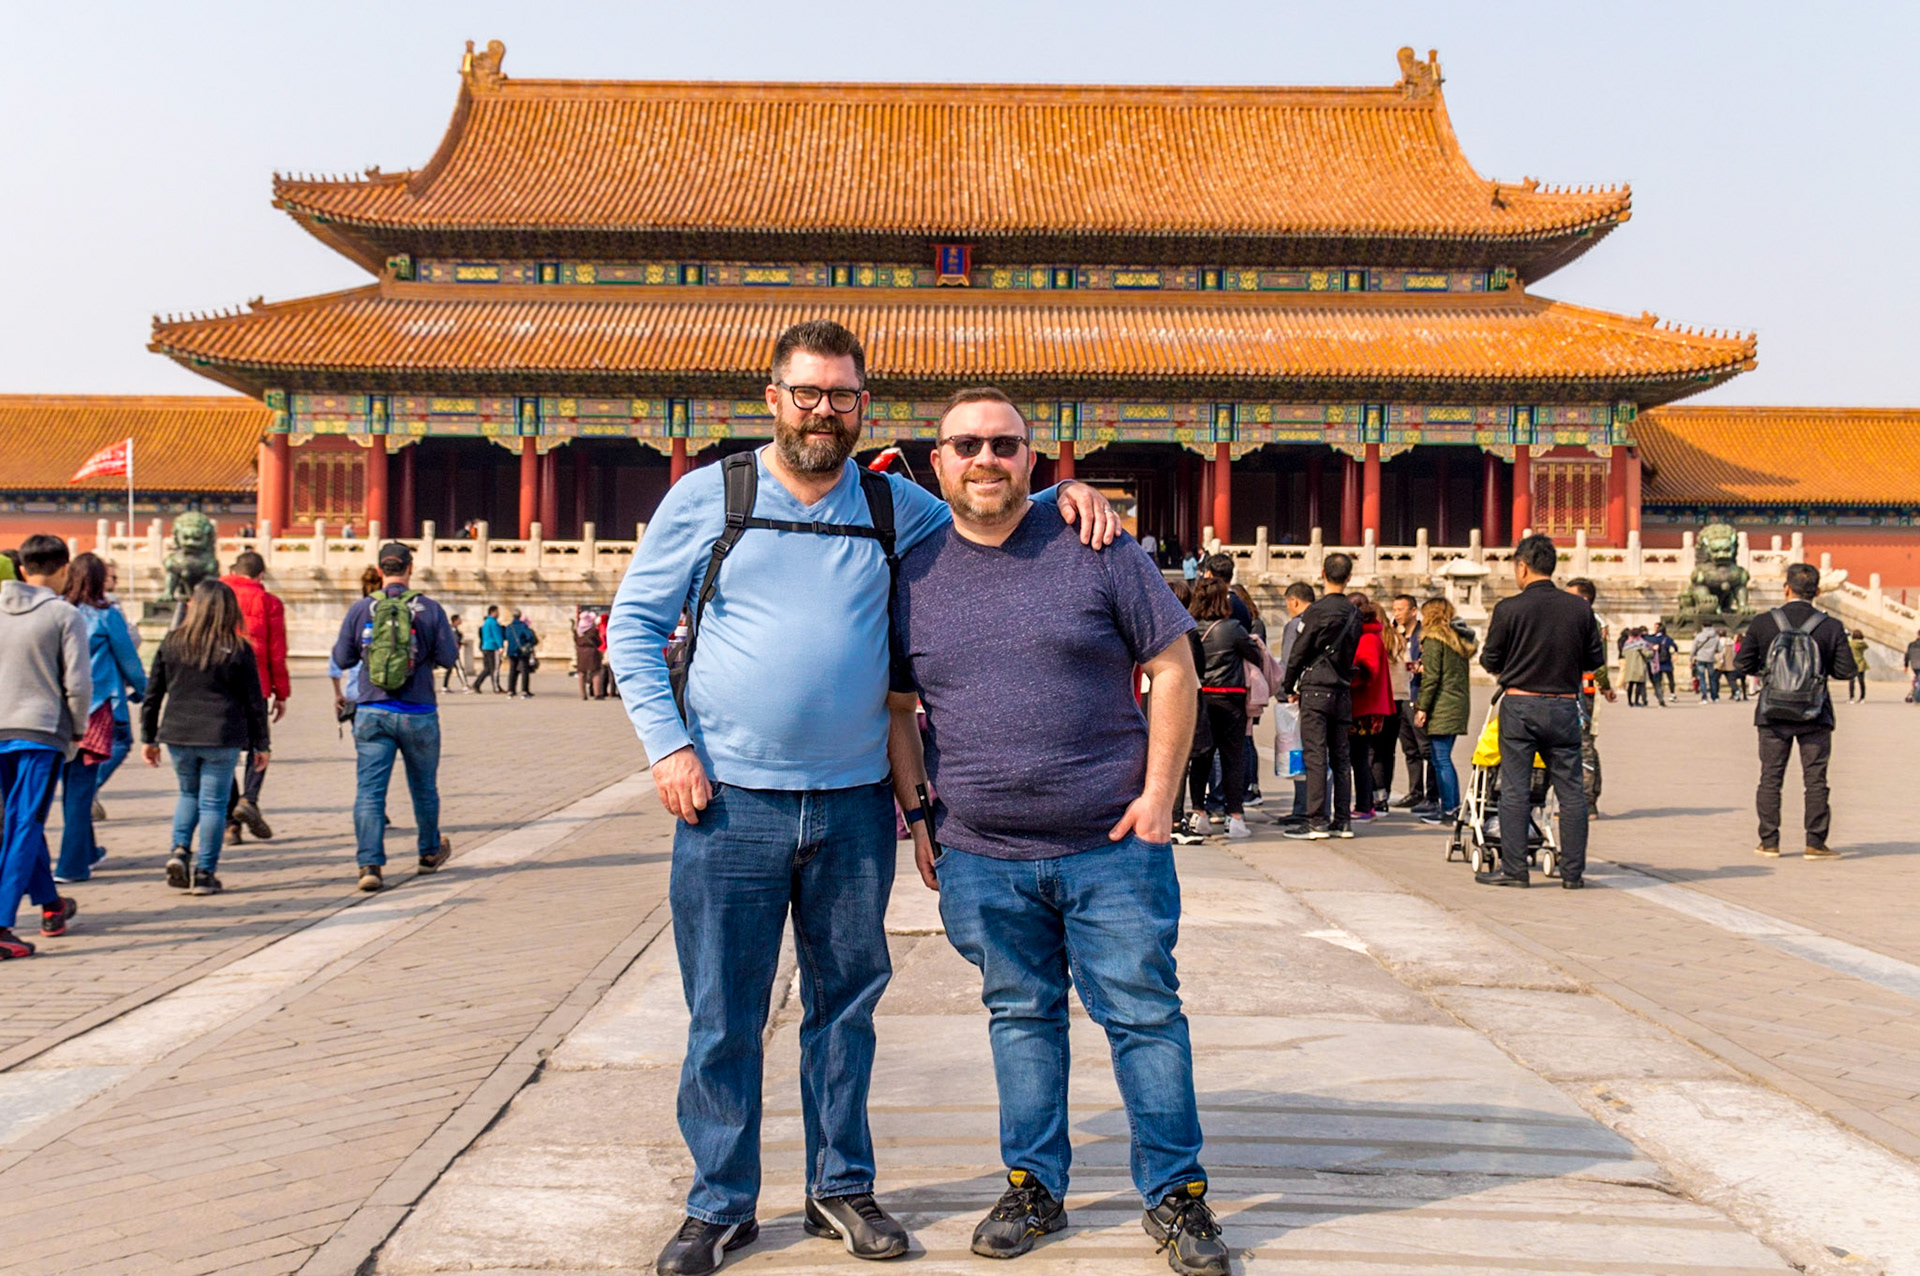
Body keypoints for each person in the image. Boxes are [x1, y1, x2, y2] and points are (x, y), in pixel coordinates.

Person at [604, 319, 1116, 1275]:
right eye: (807, 393)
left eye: (842, 395)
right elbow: (633, 629)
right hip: (727, 803)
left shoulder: (894, 506)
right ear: (773, 398)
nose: (823, 411)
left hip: (850, 804)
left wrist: (1063, 497)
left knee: (846, 1004)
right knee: (725, 1010)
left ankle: (839, 1187)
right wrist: (669, 750)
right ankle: (721, 1201)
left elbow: (986, 516)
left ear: (862, 406)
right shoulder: (713, 496)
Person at [884, 386, 1227, 1275]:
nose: (986, 459)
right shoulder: (914, 573)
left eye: (1005, 444)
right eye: (967, 446)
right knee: (1019, 1017)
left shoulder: (1098, 548)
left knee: (1145, 1017)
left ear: (1035, 460)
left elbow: (1174, 669)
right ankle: (1035, 1184)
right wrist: (920, 813)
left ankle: (1177, 1197)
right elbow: (897, 706)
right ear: (939, 465)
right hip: (982, 852)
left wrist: (1160, 798)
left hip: (1111, 846)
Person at [1476, 534, 1604, 889]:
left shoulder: (1509, 609)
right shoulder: (1580, 608)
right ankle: (1573, 873)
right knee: (1571, 792)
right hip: (1564, 705)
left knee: (1515, 789)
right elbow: (1596, 660)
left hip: (1520, 705)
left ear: (1522, 566)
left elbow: (1490, 659)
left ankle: (1515, 869)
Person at [331, 542, 458, 892]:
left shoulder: (362, 609)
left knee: (370, 792)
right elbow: (448, 658)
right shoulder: (429, 608)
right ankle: (429, 853)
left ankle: (369, 864)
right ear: (410, 567)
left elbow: (341, 658)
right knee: (424, 788)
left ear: (380, 568)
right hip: (418, 712)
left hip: (373, 711)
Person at [141, 579, 270, 895]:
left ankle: (180, 850)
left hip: (179, 733)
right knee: (213, 804)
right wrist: (261, 744)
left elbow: (153, 694)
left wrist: (149, 737)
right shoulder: (238, 648)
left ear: (193, 607)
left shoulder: (172, 642)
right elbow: (255, 702)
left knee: (188, 794)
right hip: (221, 735)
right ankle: (205, 873)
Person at [0, 534, 89, 956]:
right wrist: (76, 730)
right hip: (39, 731)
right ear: (64, 569)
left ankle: (51, 904)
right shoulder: (63, 615)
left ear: (21, 568)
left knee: (17, 821)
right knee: (24, 822)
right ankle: (1, 925)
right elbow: (78, 683)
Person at [1734, 563, 1857, 860]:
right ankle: (1815, 843)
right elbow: (1846, 671)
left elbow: (1742, 664)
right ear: (1817, 592)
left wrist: (1769, 671)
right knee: (1815, 778)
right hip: (1815, 713)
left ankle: (1769, 842)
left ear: (1785, 588)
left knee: (1770, 777)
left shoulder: (1764, 622)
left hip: (1772, 712)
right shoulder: (1830, 626)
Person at [53, 553, 145, 882]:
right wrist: (145, 692)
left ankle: (87, 851)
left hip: (55, 711)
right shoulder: (106, 616)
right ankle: (71, 864)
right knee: (80, 788)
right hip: (95, 709)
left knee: (72, 784)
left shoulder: (56, 611)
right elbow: (129, 660)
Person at [1281, 553, 1360, 840]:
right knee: (1341, 756)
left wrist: (1288, 685)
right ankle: (1343, 820)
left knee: (1315, 756)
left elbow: (1299, 651)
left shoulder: (1316, 611)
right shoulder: (1355, 613)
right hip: (1342, 688)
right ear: (1348, 577)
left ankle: (1316, 820)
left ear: (1323, 573)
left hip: (1316, 688)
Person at [219, 551, 290, 842]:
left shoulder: (211, 597)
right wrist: (281, 693)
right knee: (259, 745)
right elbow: (276, 651)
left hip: (219, 686)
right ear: (260, 575)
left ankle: (229, 825)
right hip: (256, 686)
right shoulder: (269, 602)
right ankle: (248, 799)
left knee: (223, 753)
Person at [1184, 577, 1262, 841]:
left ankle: (1199, 813)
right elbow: (1256, 656)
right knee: (1232, 757)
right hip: (1230, 698)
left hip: (1200, 697)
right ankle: (1235, 816)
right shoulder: (1233, 628)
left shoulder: (1189, 627)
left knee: (1201, 756)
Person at [1563, 578, 1616, 812]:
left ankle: (1587, 801)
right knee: (1584, 743)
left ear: (1584, 598)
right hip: (1577, 687)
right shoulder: (1585, 619)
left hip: (1583, 690)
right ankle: (1588, 796)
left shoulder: (1590, 621)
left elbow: (1598, 662)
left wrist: (1605, 685)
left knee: (1583, 743)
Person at [90, 561, 138, 815]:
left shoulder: (66, 608)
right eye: (111, 577)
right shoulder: (108, 612)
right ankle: (90, 788)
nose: (114, 581)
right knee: (120, 741)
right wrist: (143, 688)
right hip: (106, 692)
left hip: (73, 694)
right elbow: (127, 653)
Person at [1347, 595, 1394, 822]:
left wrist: (1345, 676)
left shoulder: (1367, 638)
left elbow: (1366, 671)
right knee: (1358, 757)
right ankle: (1365, 804)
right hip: (1361, 705)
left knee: (1358, 758)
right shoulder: (1368, 636)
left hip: (1362, 706)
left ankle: (1365, 805)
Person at [1389, 594, 1434, 814]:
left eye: (1400, 609)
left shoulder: (1423, 635)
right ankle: (1415, 792)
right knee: (1409, 748)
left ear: (1413, 611)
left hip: (1417, 693)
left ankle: (1432, 795)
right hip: (1399, 696)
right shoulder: (1392, 633)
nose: (1396, 613)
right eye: (1394, 609)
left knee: (1426, 748)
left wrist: (1420, 666)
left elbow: (1432, 664)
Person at [1277, 581, 1315, 827]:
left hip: (1297, 695)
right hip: (1321, 691)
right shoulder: (1324, 619)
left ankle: (1302, 807)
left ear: (1294, 601)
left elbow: (1290, 659)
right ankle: (1314, 807)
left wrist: (1287, 688)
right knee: (1319, 753)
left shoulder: (1296, 624)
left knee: (1298, 752)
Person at [504, 608, 538, 698]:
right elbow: (529, 636)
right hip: (521, 651)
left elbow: (506, 636)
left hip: (511, 650)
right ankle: (524, 690)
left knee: (512, 670)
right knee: (524, 670)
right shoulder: (523, 626)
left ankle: (511, 690)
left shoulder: (509, 626)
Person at [574, 609, 605, 700]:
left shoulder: (577, 630)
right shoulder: (593, 630)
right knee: (596, 672)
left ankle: (583, 694)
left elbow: (575, 640)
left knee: (581, 673)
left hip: (581, 652)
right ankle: (597, 693)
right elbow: (598, 641)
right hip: (592, 652)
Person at [1647, 622, 1678, 702]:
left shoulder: (1654, 638)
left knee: (1659, 679)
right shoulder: (1667, 638)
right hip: (1667, 660)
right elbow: (1675, 646)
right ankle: (1672, 694)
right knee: (1670, 678)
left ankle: (1660, 692)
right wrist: (1675, 654)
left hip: (1658, 660)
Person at [1692, 624, 1723, 702]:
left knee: (1702, 678)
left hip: (1700, 658)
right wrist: (1712, 651)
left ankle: (1704, 697)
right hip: (1710, 659)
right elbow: (1719, 649)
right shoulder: (1715, 637)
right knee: (1712, 678)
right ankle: (1715, 696)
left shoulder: (1699, 636)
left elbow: (1694, 648)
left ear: (1703, 626)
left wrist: (1691, 657)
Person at [479, 604, 506, 693]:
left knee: (488, 668)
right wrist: (500, 646)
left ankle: (477, 684)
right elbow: (497, 635)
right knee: (495, 668)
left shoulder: (486, 622)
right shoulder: (494, 623)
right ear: (493, 612)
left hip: (486, 646)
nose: (498, 614)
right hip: (492, 647)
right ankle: (496, 687)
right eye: (497, 612)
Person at [443, 614, 473, 692]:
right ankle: (465, 685)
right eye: (459, 619)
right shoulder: (453, 630)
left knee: (449, 669)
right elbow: (455, 641)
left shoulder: (450, 629)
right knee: (460, 669)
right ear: (455, 621)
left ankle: (445, 686)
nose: (461, 621)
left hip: (450, 652)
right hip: (453, 652)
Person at [1846, 629, 1869, 701]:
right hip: (1861, 663)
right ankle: (1862, 697)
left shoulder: (1851, 644)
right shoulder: (1863, 644)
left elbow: (1847, 644)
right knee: (1861, 681)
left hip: (1853, 663)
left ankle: (1851, 697)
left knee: (1851, 681)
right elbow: (1866, 646)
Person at [1906, 627, 1920, 703]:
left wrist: (1906, 665)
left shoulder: (1911, 644)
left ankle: (1914, 695)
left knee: (1917, 680)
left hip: (1914, 665)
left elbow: (1907, 655)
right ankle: (1917, 699)